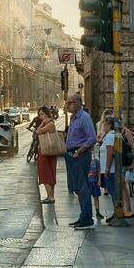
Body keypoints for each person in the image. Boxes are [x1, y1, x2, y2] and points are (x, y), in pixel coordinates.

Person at [64, 93, 97, 230]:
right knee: (77, 187)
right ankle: (83, 216)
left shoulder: (84, 118)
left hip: (80, 156)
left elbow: (92, 138)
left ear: (78, 103)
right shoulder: (74, 118)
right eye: (67, 103)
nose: (68, 105)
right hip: (72, 155)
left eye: (70, 103)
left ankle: (87, 219)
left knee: (82, 187)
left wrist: (80, 151)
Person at [33, 106, 58, 204]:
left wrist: (43, 123)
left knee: (46, 173)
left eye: (42, 114)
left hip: (46, 151)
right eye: (39, 115)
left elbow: (37, 131)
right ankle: (50, 196)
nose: (40, 117)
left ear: (47, 114)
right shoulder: (50, 123)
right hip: (48, 151)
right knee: (50, 173)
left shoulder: (49, 124)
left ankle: (50, 197)